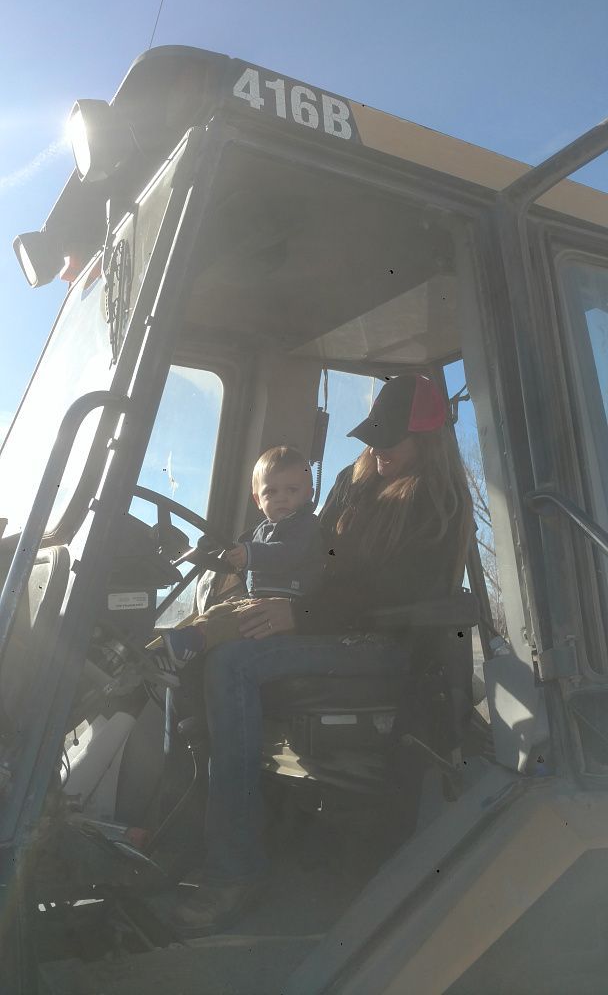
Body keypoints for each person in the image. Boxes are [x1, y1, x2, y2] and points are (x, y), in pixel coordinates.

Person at [174, 373, 474, 932]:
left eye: (392, 439)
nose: (378, 450)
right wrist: (255, 581)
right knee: (201, 647)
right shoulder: (353, 481)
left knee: (236, 662)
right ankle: (184, 830)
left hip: (384, 645)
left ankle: (234, 868)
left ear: (428, 439)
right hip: (327, 625)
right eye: (374, 437)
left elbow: (390, 596)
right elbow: (316, 558)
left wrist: (299, 616)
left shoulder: (437, 502)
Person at [167, 445, 325, 656]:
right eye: (271, 491)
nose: (281, 498)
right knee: (219, 610)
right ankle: (187, 637)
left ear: (309, 495)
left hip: (285, 608)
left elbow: (286, 554)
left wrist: (250, 555)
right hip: (258, 599)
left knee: (238, 621)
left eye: (292, 490)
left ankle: (193, 642)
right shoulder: (259, 531)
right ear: (258, 500)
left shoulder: (306, 526)